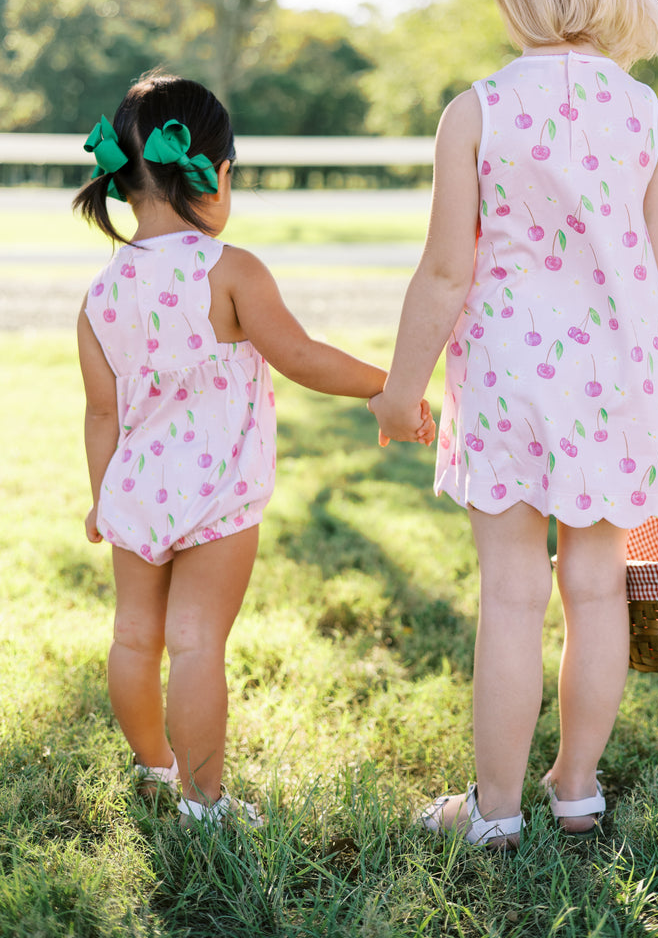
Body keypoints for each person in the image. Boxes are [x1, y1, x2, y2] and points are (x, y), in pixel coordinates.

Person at [368, 0, 658, 845]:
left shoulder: (475, 112)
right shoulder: (642, 113)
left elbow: (443, 273)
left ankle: (495, 812)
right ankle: (575, 790)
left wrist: (399, 388)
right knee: (594, 590)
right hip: (618, 388)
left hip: (514, 382)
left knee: (511, 598)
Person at [75, 71, 432, 830]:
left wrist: (102, 498)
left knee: (134, 637)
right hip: (217, 489)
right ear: (217, 172)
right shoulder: (229, 270)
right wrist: (389, 386)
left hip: (134, 489)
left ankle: (153, 768)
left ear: (124, 181)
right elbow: (299, 356)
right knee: (197, 641)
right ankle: (205, 804)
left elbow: (101, 413)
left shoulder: (101, 295)